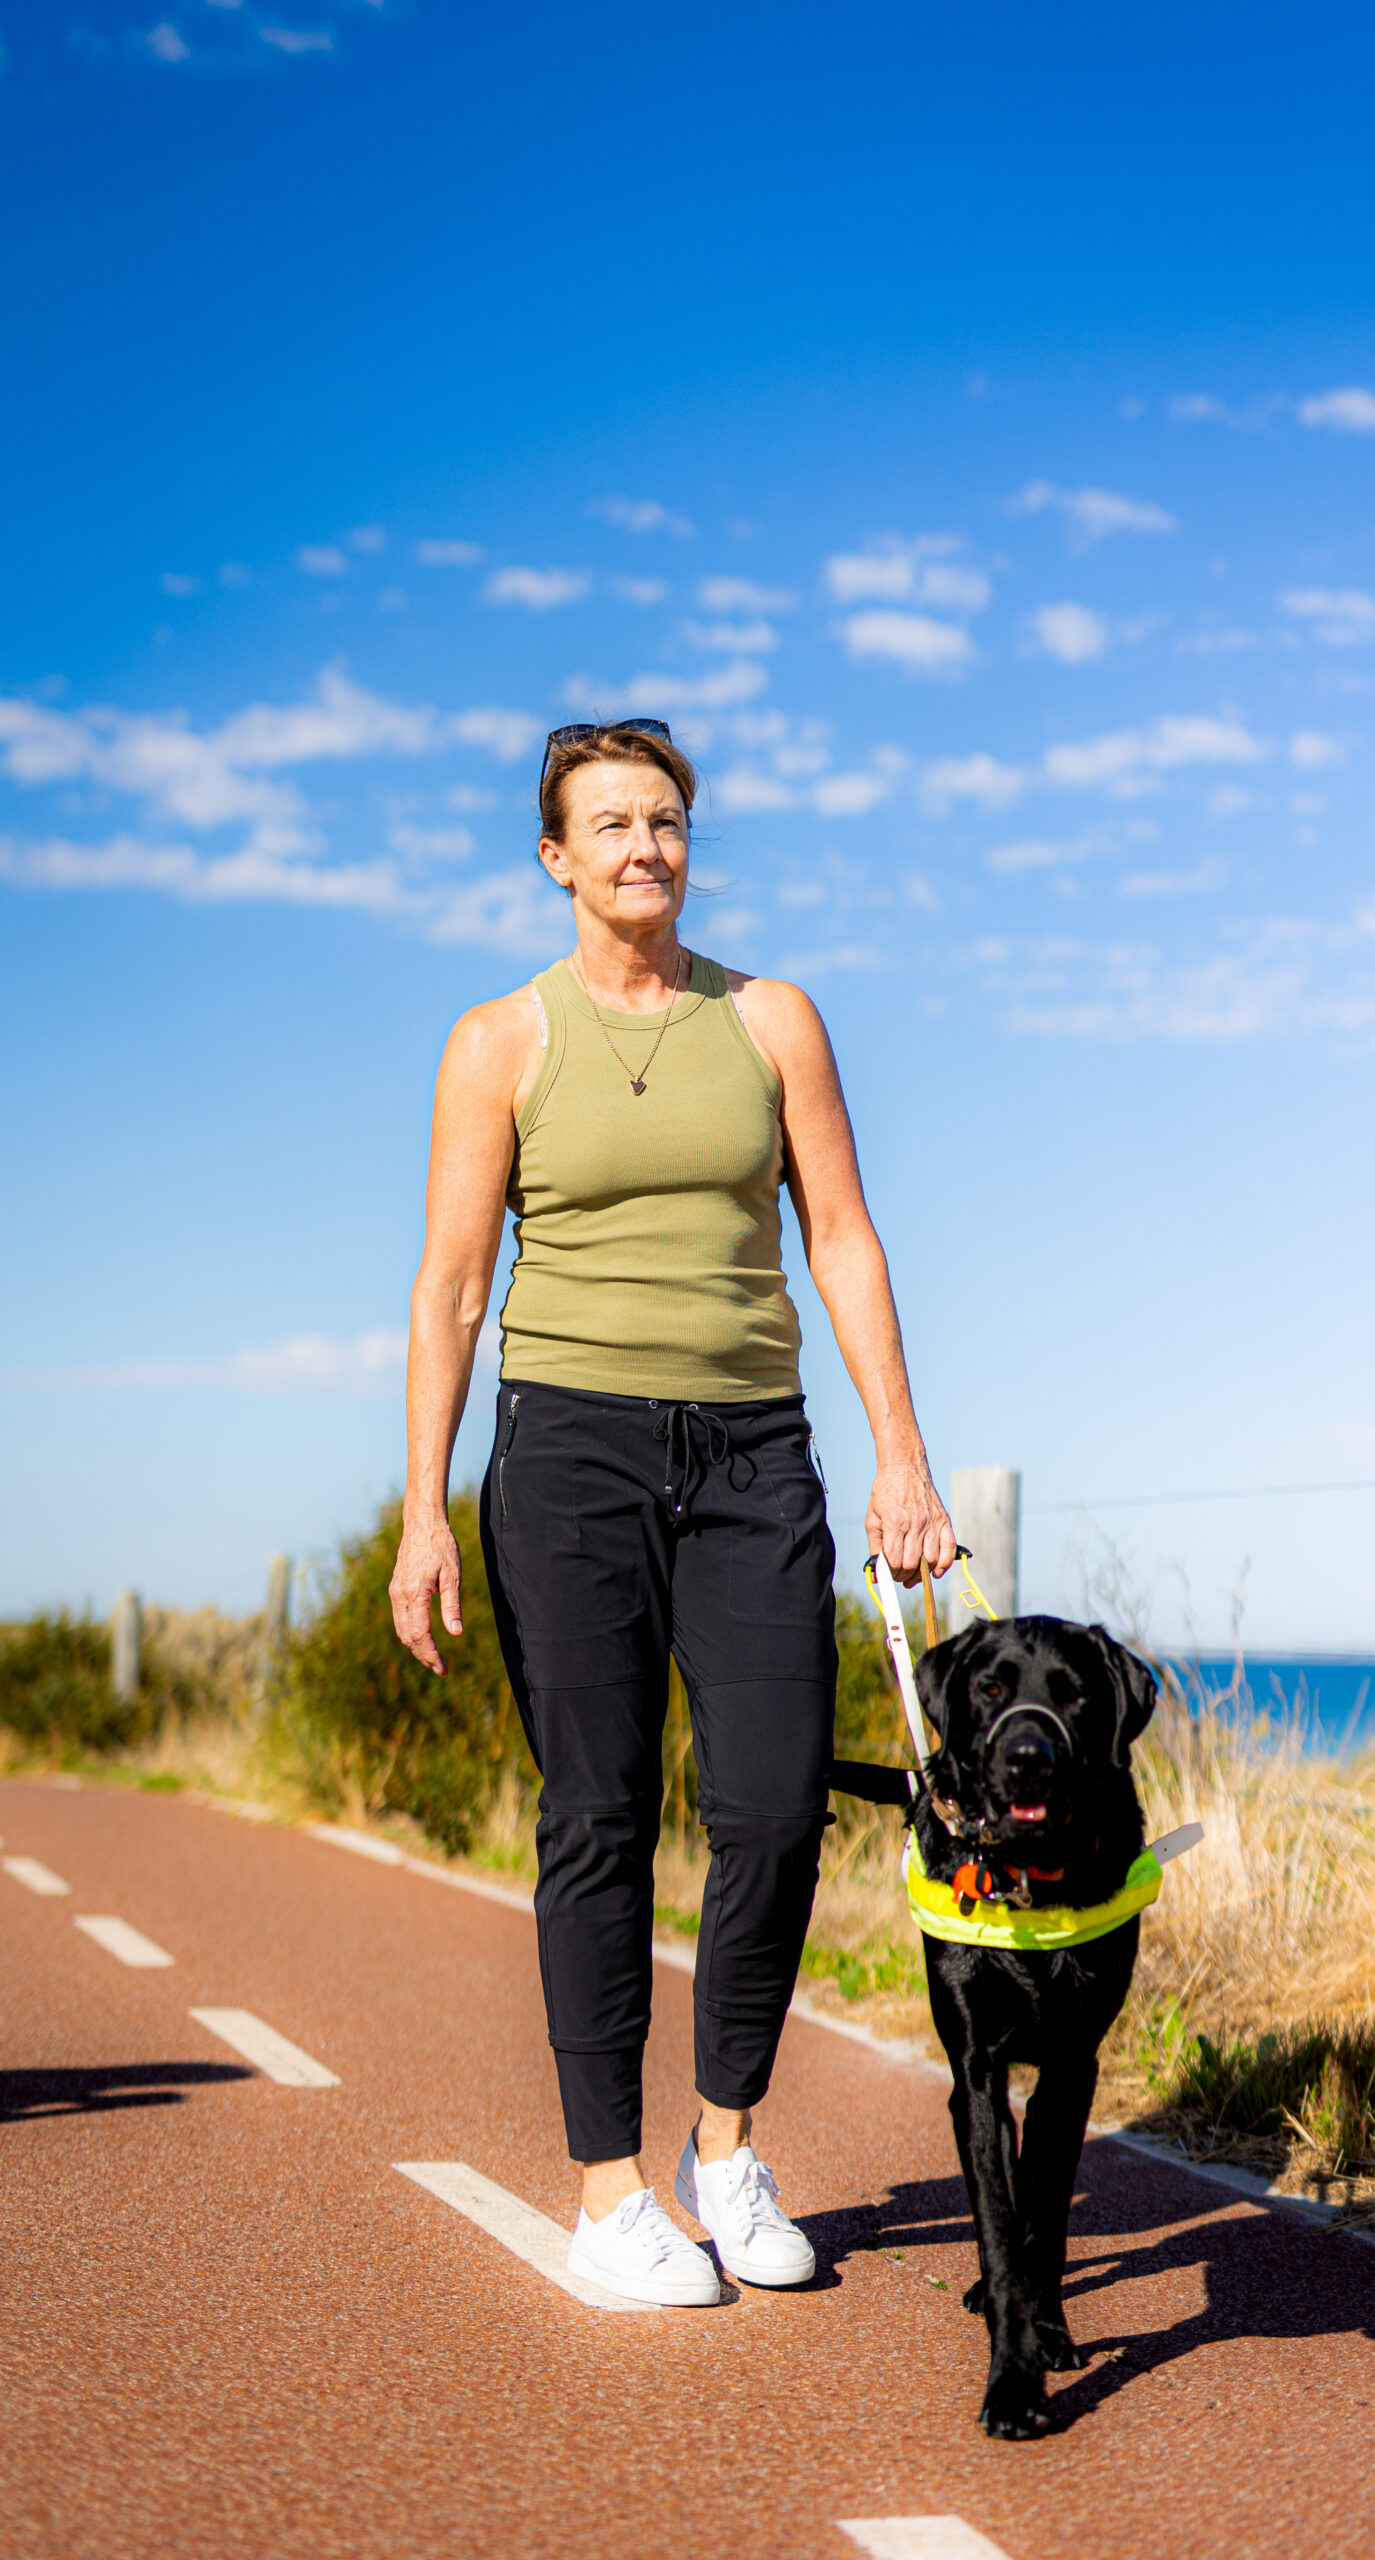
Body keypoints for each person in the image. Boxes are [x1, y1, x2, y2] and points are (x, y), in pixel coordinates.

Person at [388, 717, 955, 2306]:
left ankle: (726, 2148)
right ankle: (608, 2195)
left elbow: (841, 1237)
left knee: (776, 1806)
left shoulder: (770, 1021)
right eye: (612, 824)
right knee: (602, 1818)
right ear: (556, 856)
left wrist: (900, 1451)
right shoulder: (500, 1041)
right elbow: (446, 1291)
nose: (646, 846)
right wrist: (426, 1512)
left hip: (755, 1452)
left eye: (668, 820)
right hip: (566, 1455)